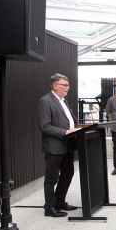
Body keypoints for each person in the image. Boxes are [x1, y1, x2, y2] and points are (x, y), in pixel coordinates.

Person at [38, 73, 78, 217]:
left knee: (68, 173)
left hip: (68, 145)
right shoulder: (45, 101)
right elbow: (45, 126)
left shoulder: (64, 101)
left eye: (68, 85)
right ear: (54, 86)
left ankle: (59, 202)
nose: (68, 88)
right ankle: (49, 208)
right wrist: (65, 131)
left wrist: (78, 128)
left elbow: (70, 120)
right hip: (54, 147)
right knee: (51, 178)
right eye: (64, 85)